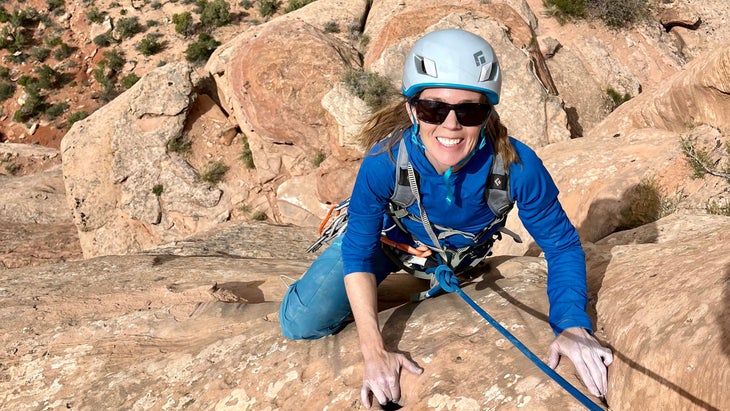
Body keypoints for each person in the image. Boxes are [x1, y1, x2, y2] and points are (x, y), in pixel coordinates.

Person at [279, 28, 613, 408]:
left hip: (460, 256)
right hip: (388, 245)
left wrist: (571, 324)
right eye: (433, 109)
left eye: (469, 110)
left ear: (488, 114)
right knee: (300, 323)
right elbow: (359, 250)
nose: (451, 125)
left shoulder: (517, 167)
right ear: (411, 109)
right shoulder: (385, 161)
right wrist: (374, 351)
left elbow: (562, 244)